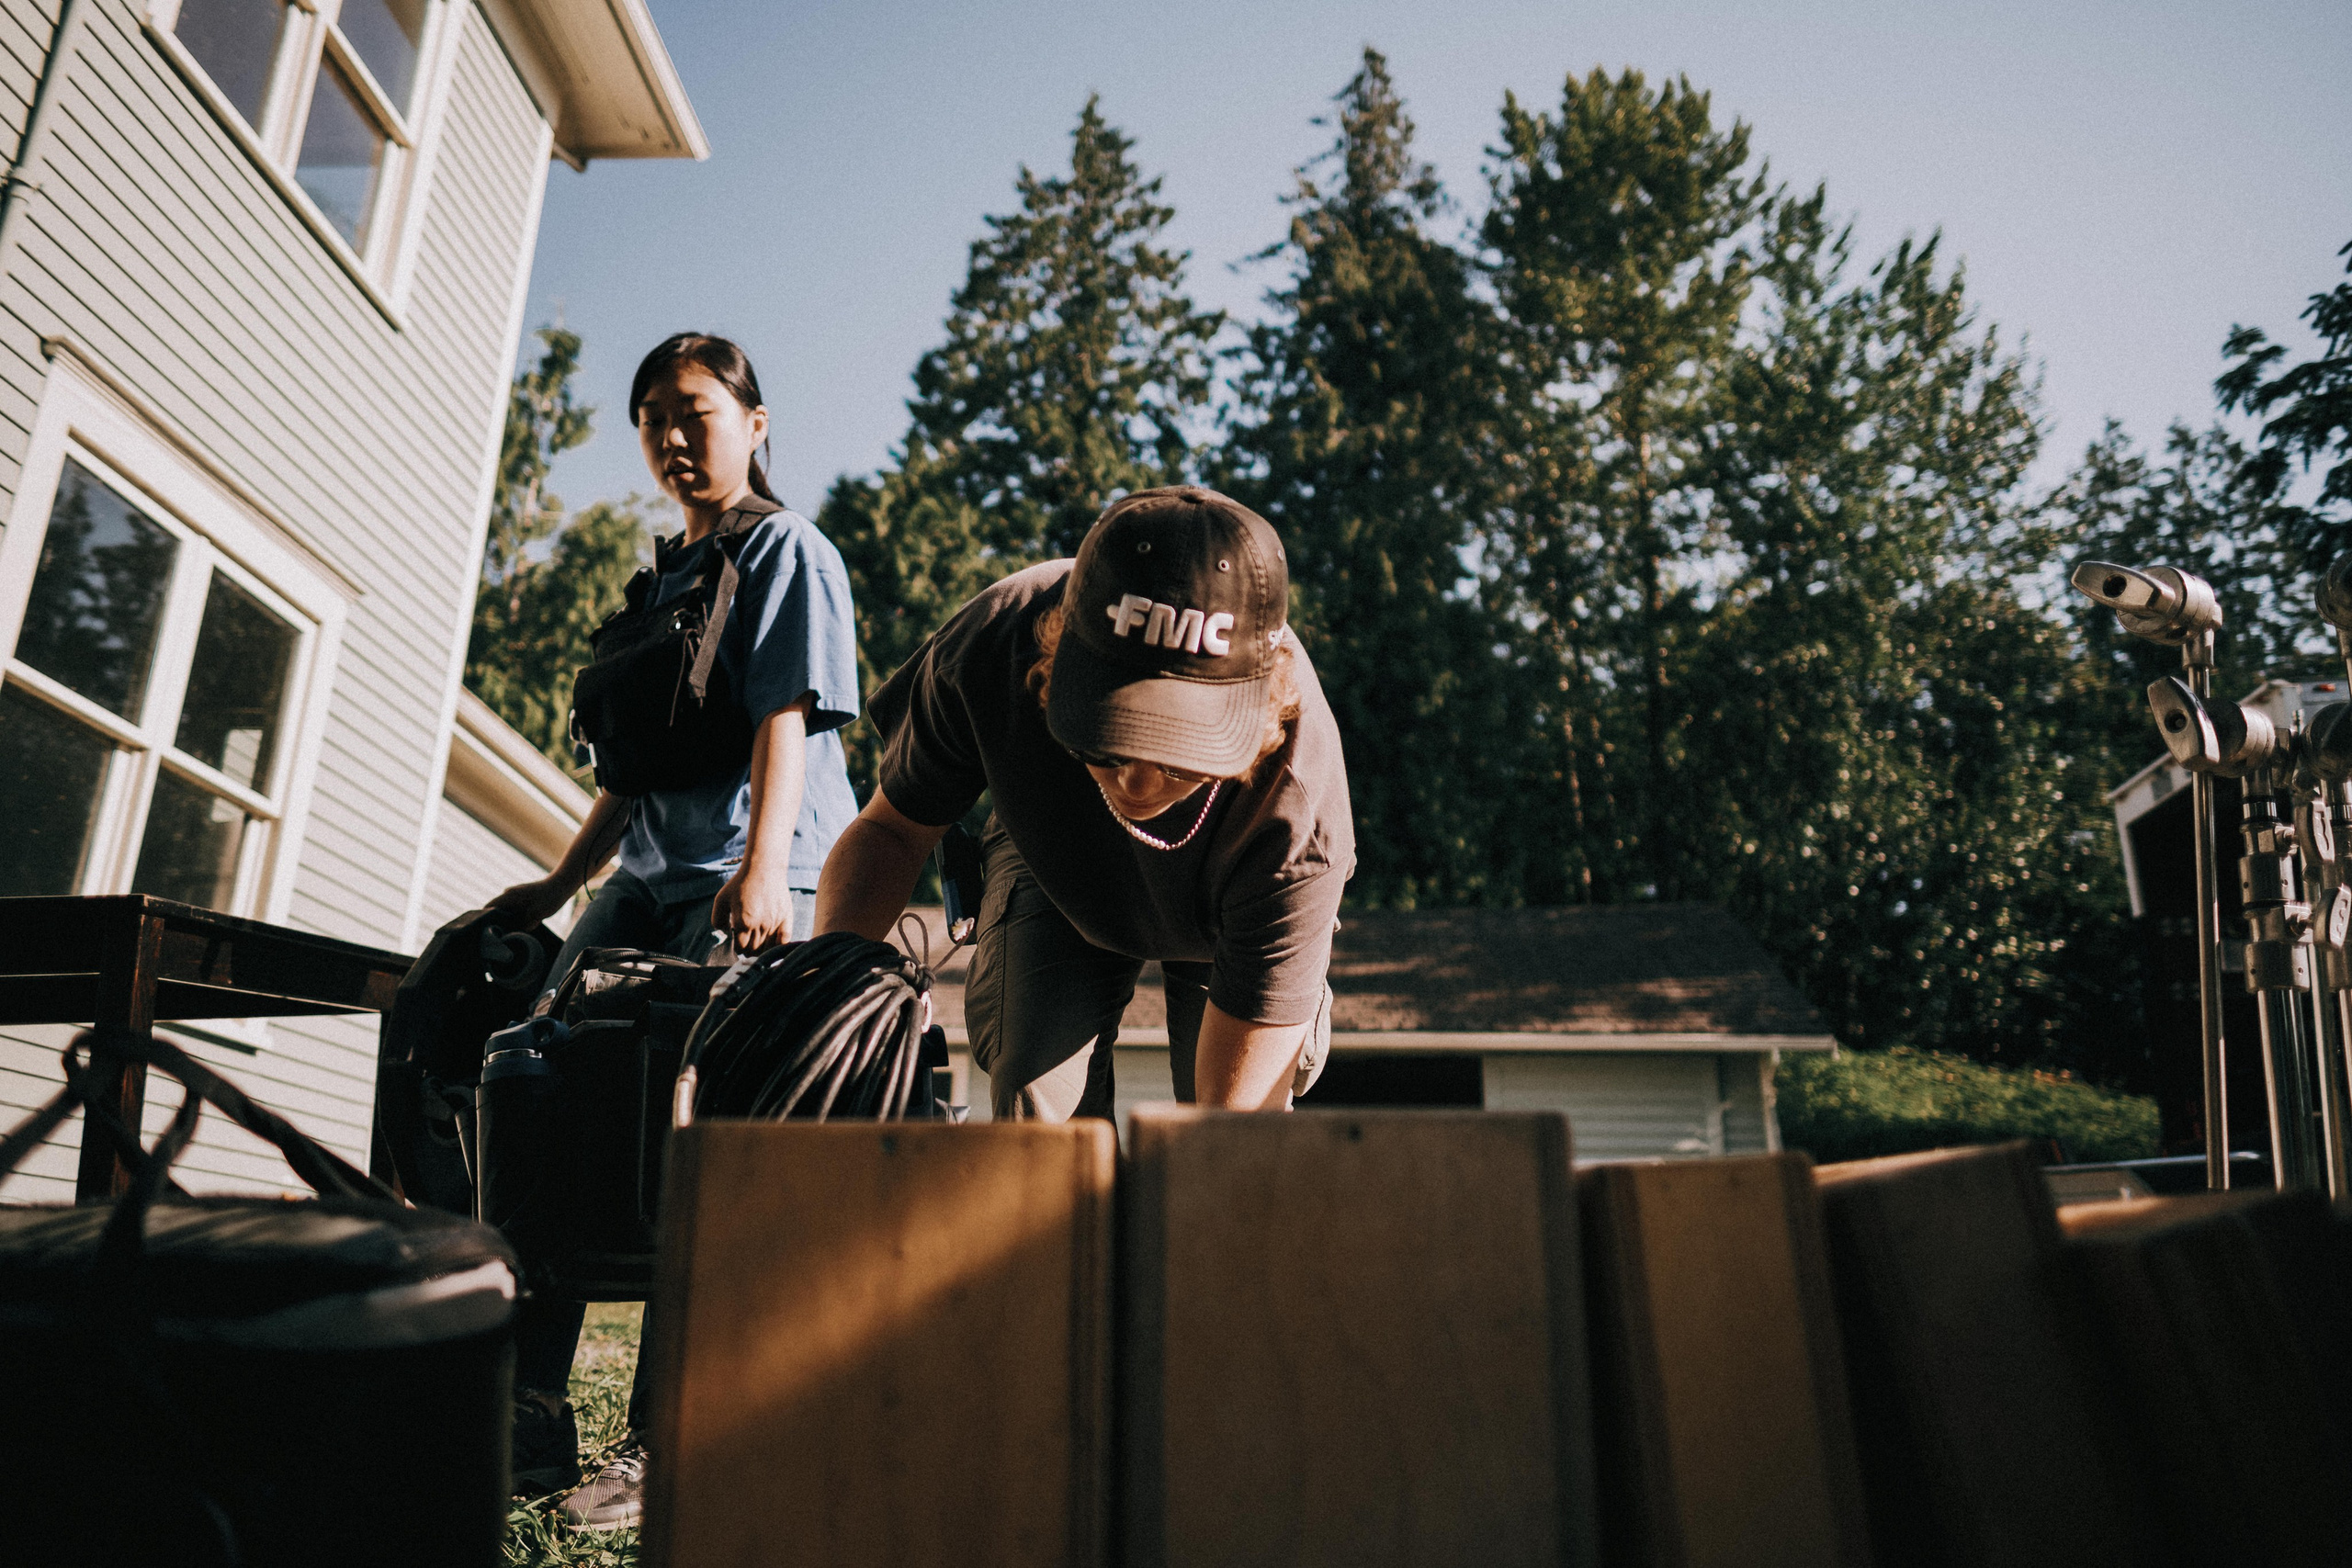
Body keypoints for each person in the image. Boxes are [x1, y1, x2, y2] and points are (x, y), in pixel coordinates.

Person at [486, 332, 860, 1529]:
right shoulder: (661, 585)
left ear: (755, 420)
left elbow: (786, 717)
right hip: (644, 876)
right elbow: (635, 770)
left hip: (751, 872)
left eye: (695, 408)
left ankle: (662, 1440)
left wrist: (760, 875)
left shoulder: (785, 550)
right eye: (651, 414)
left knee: (690, 1144)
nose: (672, 433)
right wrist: (556, 888)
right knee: (538, 1099)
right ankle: (527, 1414)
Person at [816, 484, 1353, 1119]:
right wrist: (816, 1004)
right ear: (1053, 655)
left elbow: (1232, 1127)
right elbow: (893, 832)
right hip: (1054, 858)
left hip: (1231, 898)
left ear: (1259, 718)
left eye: (1179, 757)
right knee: (1031, 1091)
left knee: (1222, 1148)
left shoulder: (1294, 812)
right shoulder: (990, 648)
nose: (1137, 785)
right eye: (1111, 738)